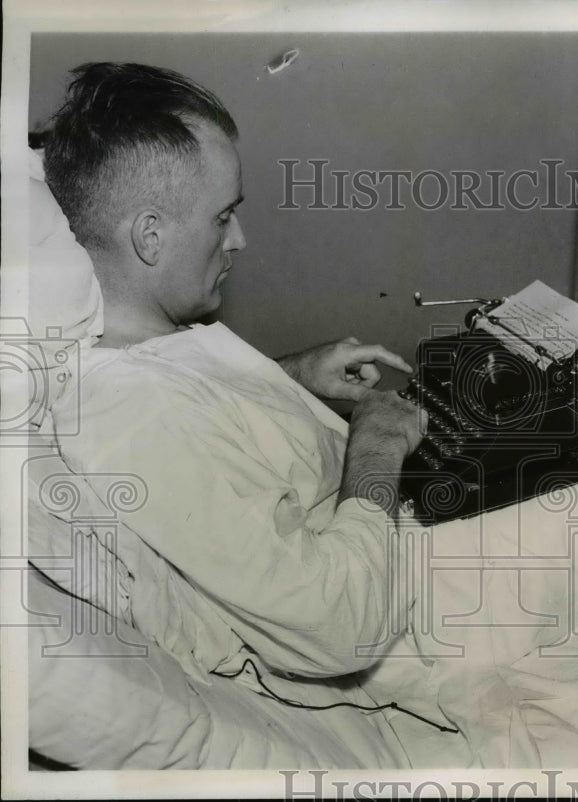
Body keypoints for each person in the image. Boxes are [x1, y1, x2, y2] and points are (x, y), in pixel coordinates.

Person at [43, 62, 426, 684]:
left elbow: (203, 420)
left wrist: (291, 375)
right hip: (417, 616)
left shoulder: (150, 351)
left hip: (407, 548)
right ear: (149, 236)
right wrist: (377, 446)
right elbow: (341, 628)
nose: (240, 239)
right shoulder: (133, 416)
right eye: (224, 217)